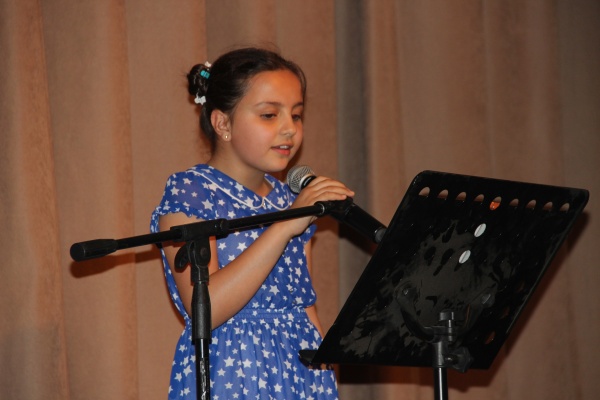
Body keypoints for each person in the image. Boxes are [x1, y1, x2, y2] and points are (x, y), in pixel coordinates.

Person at [150, 47, 353, 399]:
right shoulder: (192, 193)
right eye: (270, 115)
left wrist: (324, 377)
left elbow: (304, 304)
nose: (289, 129)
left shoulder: (288, 200)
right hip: (233, 370)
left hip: (298, 369)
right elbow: (206, 309)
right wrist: (285, 226)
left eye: (296, 115)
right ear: (223, 124)